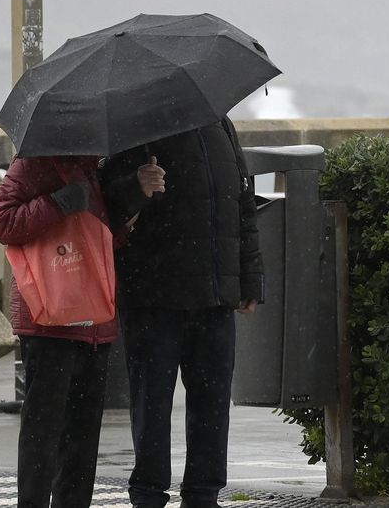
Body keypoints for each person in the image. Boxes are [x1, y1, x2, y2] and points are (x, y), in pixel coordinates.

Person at [101, 116, 264, 508]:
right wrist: (135, 188)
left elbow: (241, 206)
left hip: (213, 296)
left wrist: (249, 279)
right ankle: (148, 494)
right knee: (151, 403)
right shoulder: (133, 127)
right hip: (152, 298)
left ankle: (204, 495)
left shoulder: (219, 124)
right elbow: (103, 205)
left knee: (212, 402)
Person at [0, 153, 164, 508]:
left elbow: (95, 237)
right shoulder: (34, 162)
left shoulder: (92, 168)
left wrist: (131, 206)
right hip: (49, 320)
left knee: (82, 438)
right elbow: (1, 221)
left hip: (93, 319)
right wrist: (58, 203)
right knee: (44, 431)